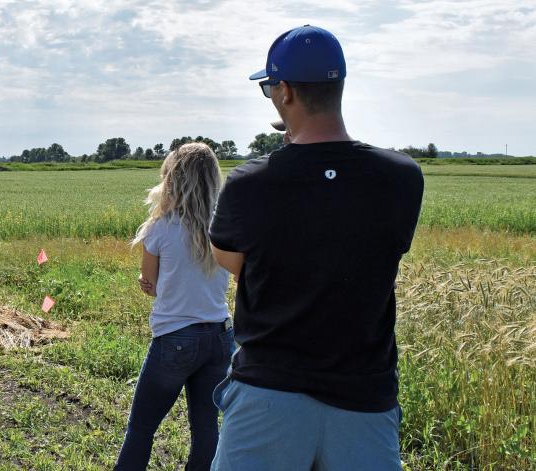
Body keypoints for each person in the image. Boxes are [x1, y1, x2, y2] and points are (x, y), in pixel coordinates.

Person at [208, 25, 423, 470]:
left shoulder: (250, 183)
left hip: (268, 396)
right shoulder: (402, 177)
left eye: (268, 87)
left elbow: (229, 260)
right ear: (338, 86)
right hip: (365, 401)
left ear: (285, 91)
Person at [115, 143, 233, 471]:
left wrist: (146, 281)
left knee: (141, 428)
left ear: (173, 178)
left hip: (175, 338)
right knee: (206, 428)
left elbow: (151, 285)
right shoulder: (224, 226)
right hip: (220, 336)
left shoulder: (161, 227)